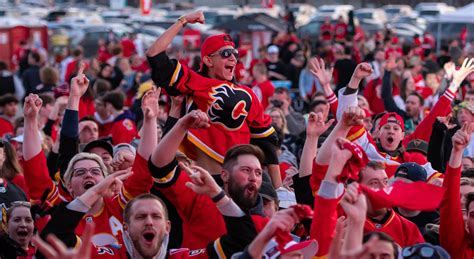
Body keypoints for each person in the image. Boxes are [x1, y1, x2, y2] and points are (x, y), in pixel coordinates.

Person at [146, 10, 281, 188]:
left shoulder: (248, 94)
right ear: (208, 61)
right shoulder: (193, 82)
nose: (233, 57)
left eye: (235, 54)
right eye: (226, 54)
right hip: (205, 180)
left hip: (242, 184)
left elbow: (267, 144)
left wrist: (279, 190)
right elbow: (155, 54)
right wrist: (183, 21)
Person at [148, 109, 269, 249]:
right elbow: (160, 167)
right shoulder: (200, 196)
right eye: (246, 170)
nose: (253, 178)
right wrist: (182, 125)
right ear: (224, 175)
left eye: (258, 173)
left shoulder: (265, 223)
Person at [439, 123, 474, 258]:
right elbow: (449, 200)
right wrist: (457, 151)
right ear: (467, 226)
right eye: (473, 214)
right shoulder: (459, 248)